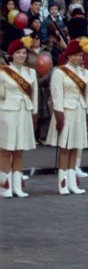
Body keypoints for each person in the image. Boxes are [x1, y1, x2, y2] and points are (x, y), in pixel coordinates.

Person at [47, 38, 88, 195]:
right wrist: (59, 117)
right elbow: (57, 96)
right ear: (68, 55)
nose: (78, 58)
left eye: (80, 55)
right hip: (66, 111)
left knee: (76, 147)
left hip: (80, 111)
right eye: (75, 55)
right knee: (65, 147)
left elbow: (87, 95)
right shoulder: (60, 72)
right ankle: (63, 183)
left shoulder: (85, 72)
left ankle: (73, 183)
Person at [0, 38, 40, 198]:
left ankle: (17, 186)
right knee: (6, 150)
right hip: (7, 113)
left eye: (24, 52)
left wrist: (34, 113)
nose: (22, 55)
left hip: (24, 112)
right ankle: (5, 186)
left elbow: (34, 95)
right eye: (18, 53)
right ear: (12, 54)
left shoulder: (31, 72)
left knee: (19, 150)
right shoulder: (3, 72)